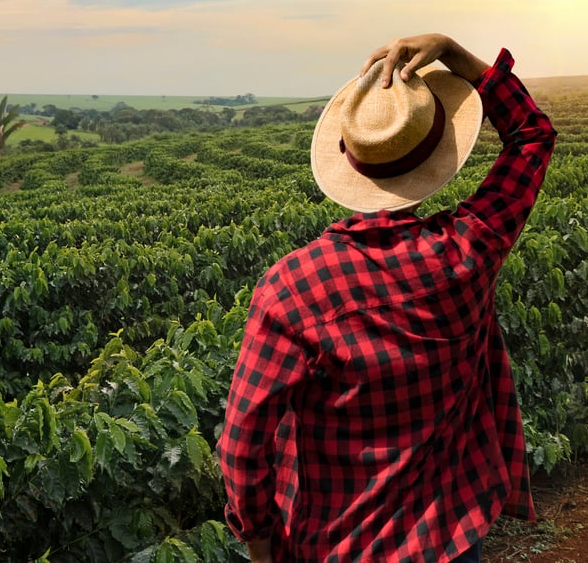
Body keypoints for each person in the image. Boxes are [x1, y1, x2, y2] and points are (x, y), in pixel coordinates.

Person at [217, 33, 557, 563]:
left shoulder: (292, 289)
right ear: (440, 154)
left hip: (341, 544)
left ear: (348, 159)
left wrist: (260, 544)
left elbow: (242, 444)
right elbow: (532, 136)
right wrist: (455, 54)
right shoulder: (468, 251)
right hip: (451, 530)